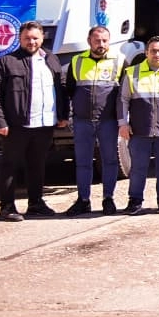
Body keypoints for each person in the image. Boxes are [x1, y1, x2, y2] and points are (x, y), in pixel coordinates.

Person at [0, 21, 67, 221]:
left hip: (44, 124)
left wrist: (62, 115)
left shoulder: (51, 59)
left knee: (37, 165)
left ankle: (36, 204)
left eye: (35, 38)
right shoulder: (6, 62)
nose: (31, 42)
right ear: (20, 39)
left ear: (42, 38)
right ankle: (7, 207)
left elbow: (61, 88)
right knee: (9, 165)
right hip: (16, 125)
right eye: (27, 38)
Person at [117, 36, 159, 215]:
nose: (157, 54)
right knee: (138, 168)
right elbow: (123, 100)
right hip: (139, 130)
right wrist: (123, 123)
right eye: (153, 51)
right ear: (146, 52)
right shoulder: (132, 72)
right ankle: (135, 201)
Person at [63, 25, 124, 215]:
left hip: (108, 121)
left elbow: (124, 94)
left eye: (105, 40)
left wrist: (123, 120)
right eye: (97, 40)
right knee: (83, 162)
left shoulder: (120, 61)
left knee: (110, 161)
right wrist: (70, 116)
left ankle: (108, 199)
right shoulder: (77, 61)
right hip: (82, 121)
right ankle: (83, 200)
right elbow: (69, 90)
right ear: (89, 41)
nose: (101, 44)